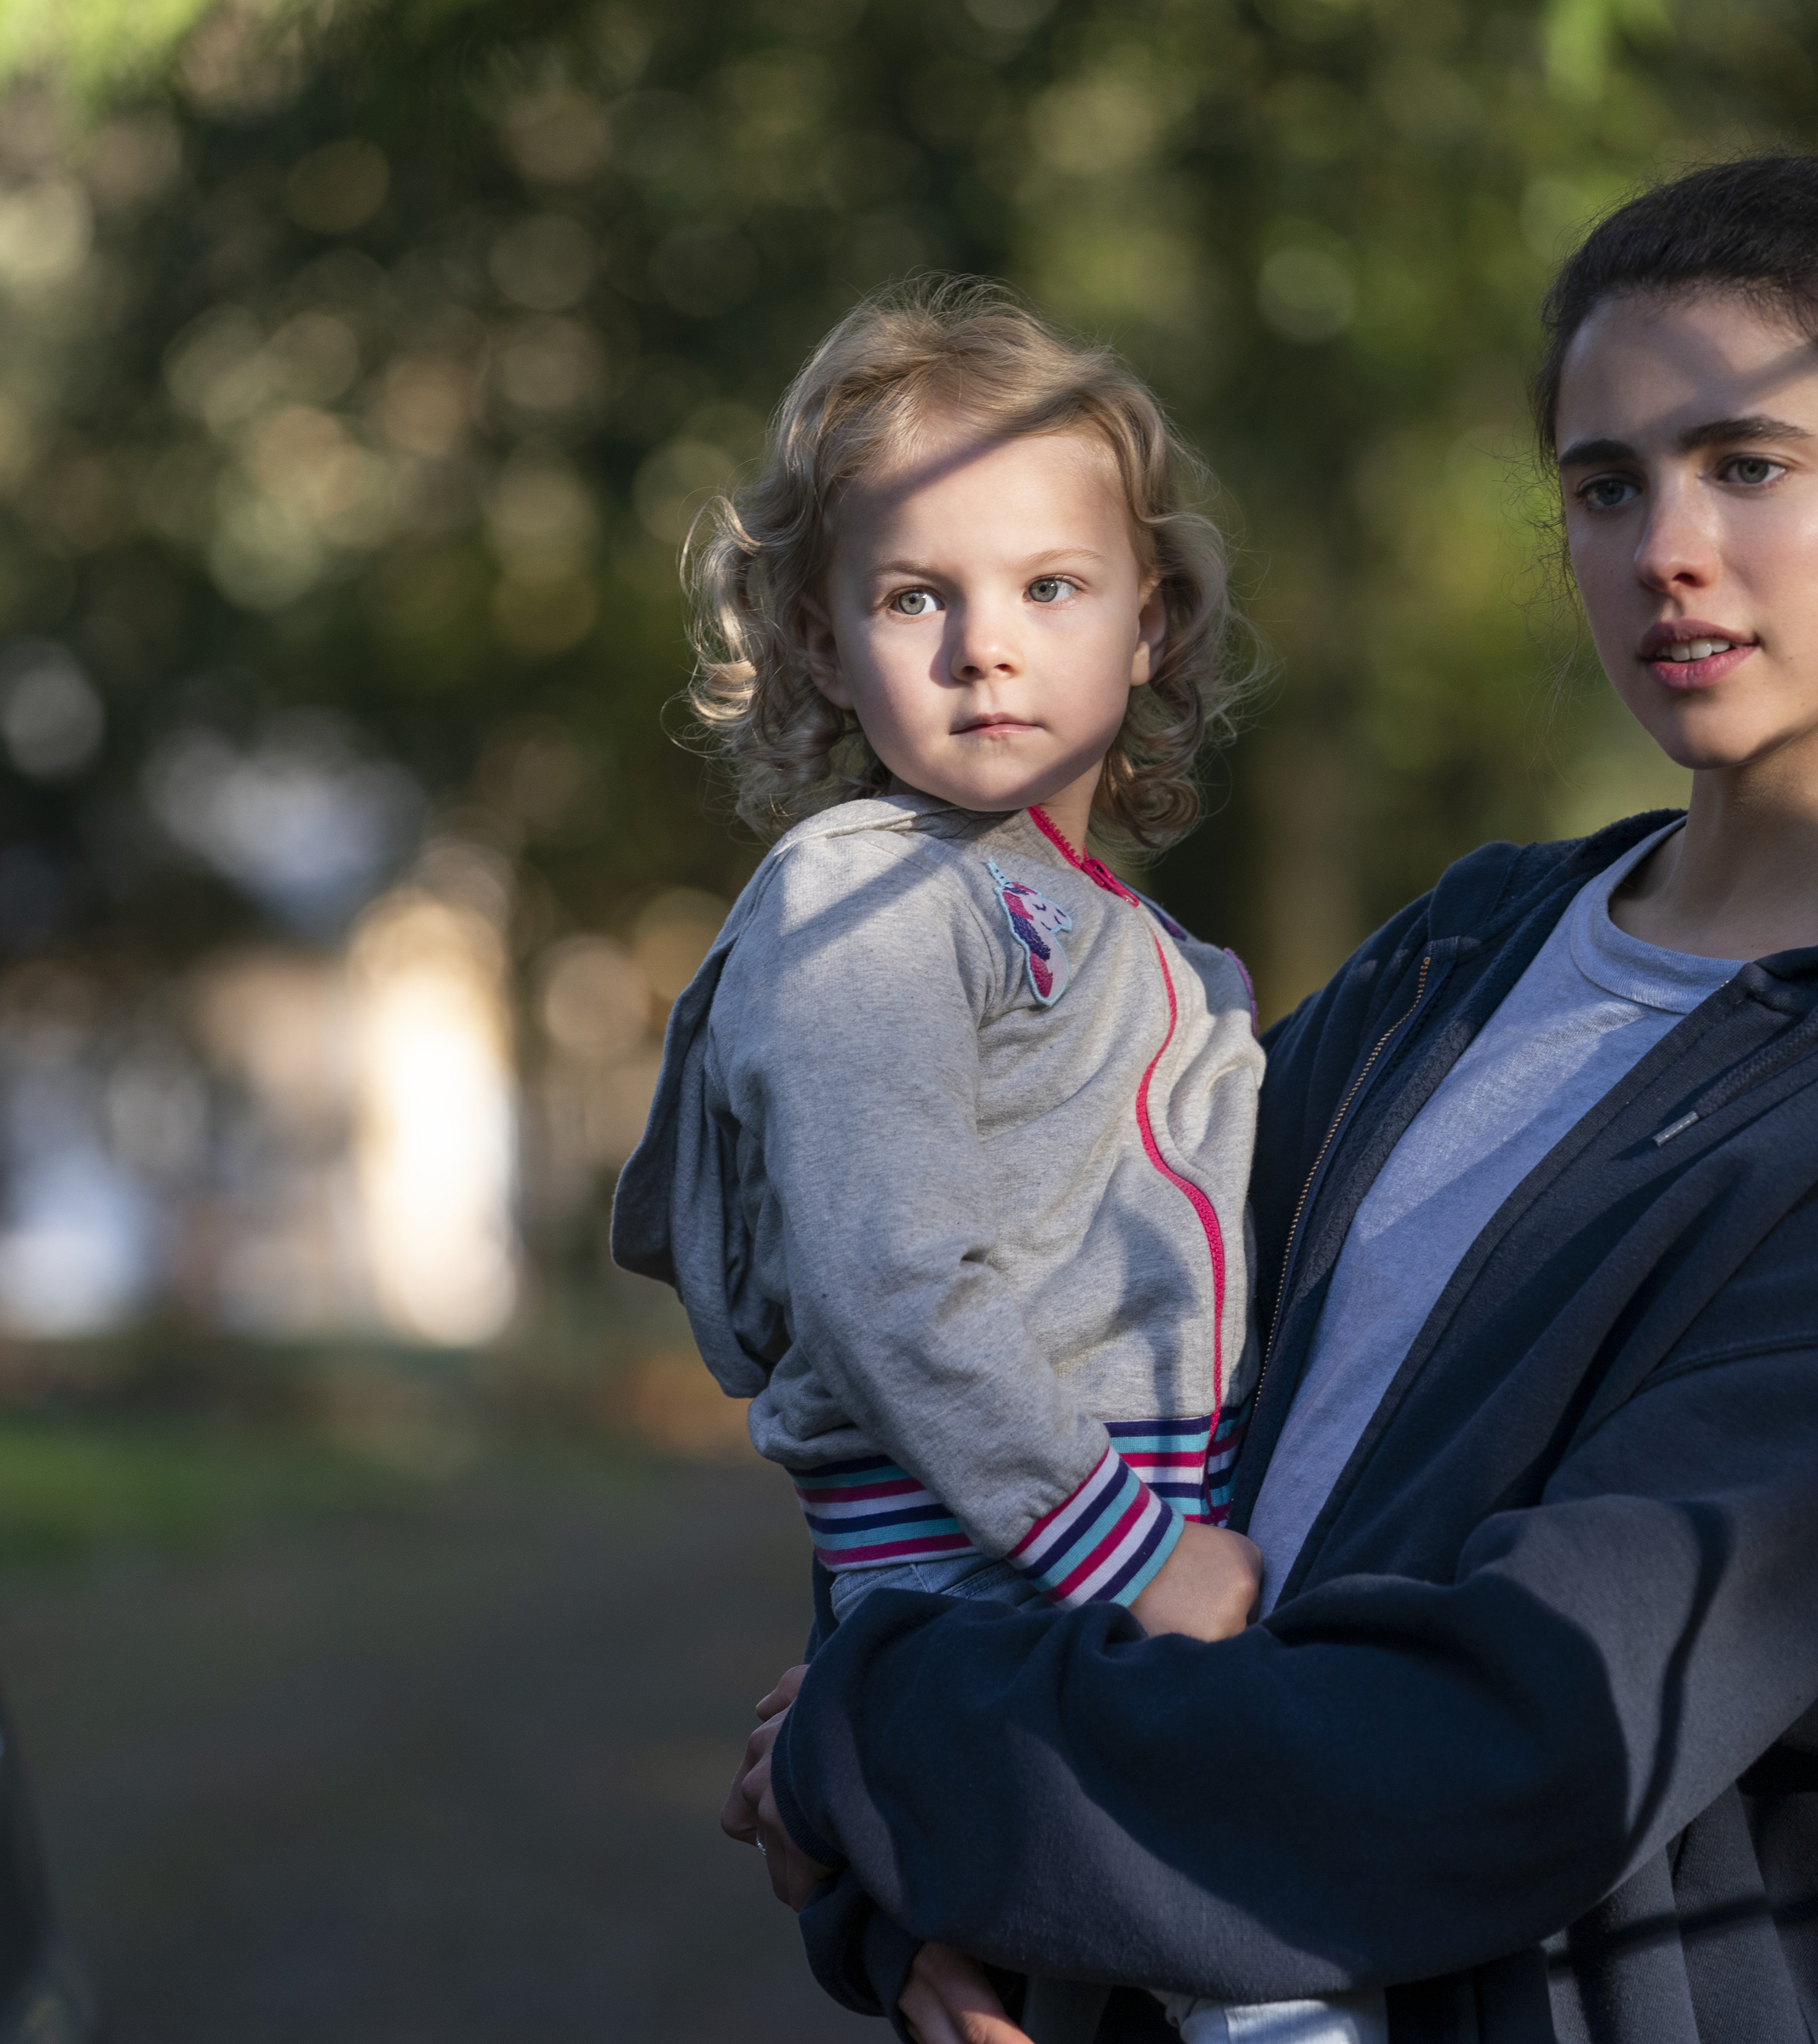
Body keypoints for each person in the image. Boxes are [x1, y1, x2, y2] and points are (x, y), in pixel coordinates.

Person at [722, 156, 1818, 2044]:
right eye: (1605, 482)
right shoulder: (1464, 952)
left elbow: (1525, 1734)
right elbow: (1053, 1379)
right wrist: (901, 1879)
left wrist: (897, 1752)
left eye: (1748, 464)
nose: (1665, 543)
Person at [615, 281, 1319, 2041]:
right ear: (820, 630)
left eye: (1049, 589)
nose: (982, 645)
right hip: (1011, 1592)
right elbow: (890, 1281)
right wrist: (1138, 1563)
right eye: (916, 595)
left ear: (1151, 622)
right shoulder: (877, 897)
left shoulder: (1155, 954)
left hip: (1088, 1587)